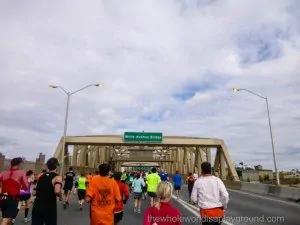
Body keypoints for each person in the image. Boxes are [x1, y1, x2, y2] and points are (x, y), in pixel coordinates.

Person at [31, 157, 63, 225]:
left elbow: (34, 193)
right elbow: (57, 191)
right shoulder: (57, 177)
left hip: (37, 206)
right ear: (56, 166)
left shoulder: (40, 176)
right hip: (49, 207)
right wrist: (60, 196)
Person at [0, 157, 28, 225]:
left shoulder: (3, 173)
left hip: (2, 199)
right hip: (12, 200)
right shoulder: (21, 172)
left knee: (9, 220)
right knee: (5, 221)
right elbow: (26, 187)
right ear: (19, 164)